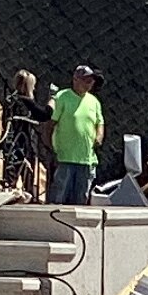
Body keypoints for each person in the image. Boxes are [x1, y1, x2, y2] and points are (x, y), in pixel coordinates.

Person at [47, 64, 104, 208]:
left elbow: (100, 123)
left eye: (91, 81)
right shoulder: (62, 97)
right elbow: (50, 124)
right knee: (59, 194)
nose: (89, 84)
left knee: (81, 197)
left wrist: (99, 136)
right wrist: (49, 145)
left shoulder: (94, 101)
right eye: (86, 80)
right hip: (65, 156)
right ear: (76, 79)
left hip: (86, 158)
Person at [1, 69, 50, 197]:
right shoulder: (27, 102)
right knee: (26, 168)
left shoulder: (10, 99)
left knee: (10, 169)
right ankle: (28, 194)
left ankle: (9, 191)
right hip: (23, 139)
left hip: (10, 139)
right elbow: (44, 115)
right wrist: (52, 101)